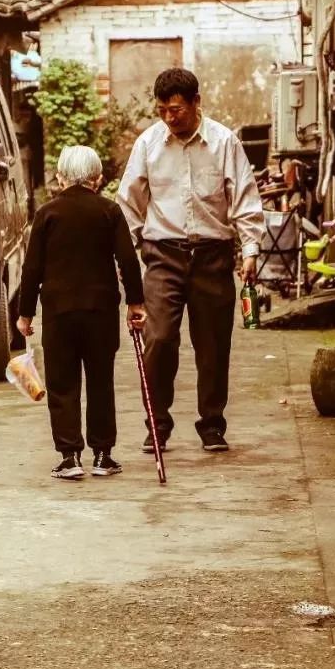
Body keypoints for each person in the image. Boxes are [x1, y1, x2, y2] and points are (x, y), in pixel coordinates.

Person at [117, 68, 265, 454]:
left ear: (196, 103)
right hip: (163, 256)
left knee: (213, 344)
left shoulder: (223, 143)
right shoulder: (148, 144)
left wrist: (250, 250)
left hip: (213, 256)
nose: (170, 117)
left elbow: (245, 198)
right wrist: (130, 255)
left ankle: (212, 425)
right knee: (159, 338)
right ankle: (158, 423)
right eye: (163, 110)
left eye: (177, 110)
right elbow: (129, 204)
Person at [17, 145, 147, 480]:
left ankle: (70, 457)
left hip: (60, 313)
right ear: (98, 178)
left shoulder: (46, 214)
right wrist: (136, 302)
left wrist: (25, 314)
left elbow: (31, 269)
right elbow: (128, 260)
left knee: (62, 384)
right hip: (100, 313)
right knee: (101, 381)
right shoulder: (109, 211)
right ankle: (103, 456)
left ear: (60, 178)